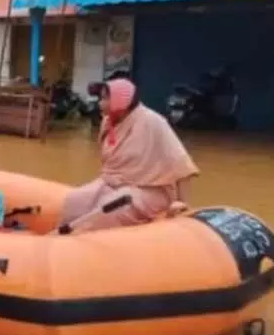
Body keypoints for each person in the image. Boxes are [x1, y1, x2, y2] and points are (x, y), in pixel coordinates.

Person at [59, 78, 199, 232]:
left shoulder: (153, 122)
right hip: (113, 182)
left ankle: (82, 241)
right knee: (75, 201)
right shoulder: (108, 122)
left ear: (120, 101)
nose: (99, 102)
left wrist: (185, 207)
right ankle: (64, 240)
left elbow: (181, 165)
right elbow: (111, 166)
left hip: (150, 190)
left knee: (111, 208)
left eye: (105, 98)